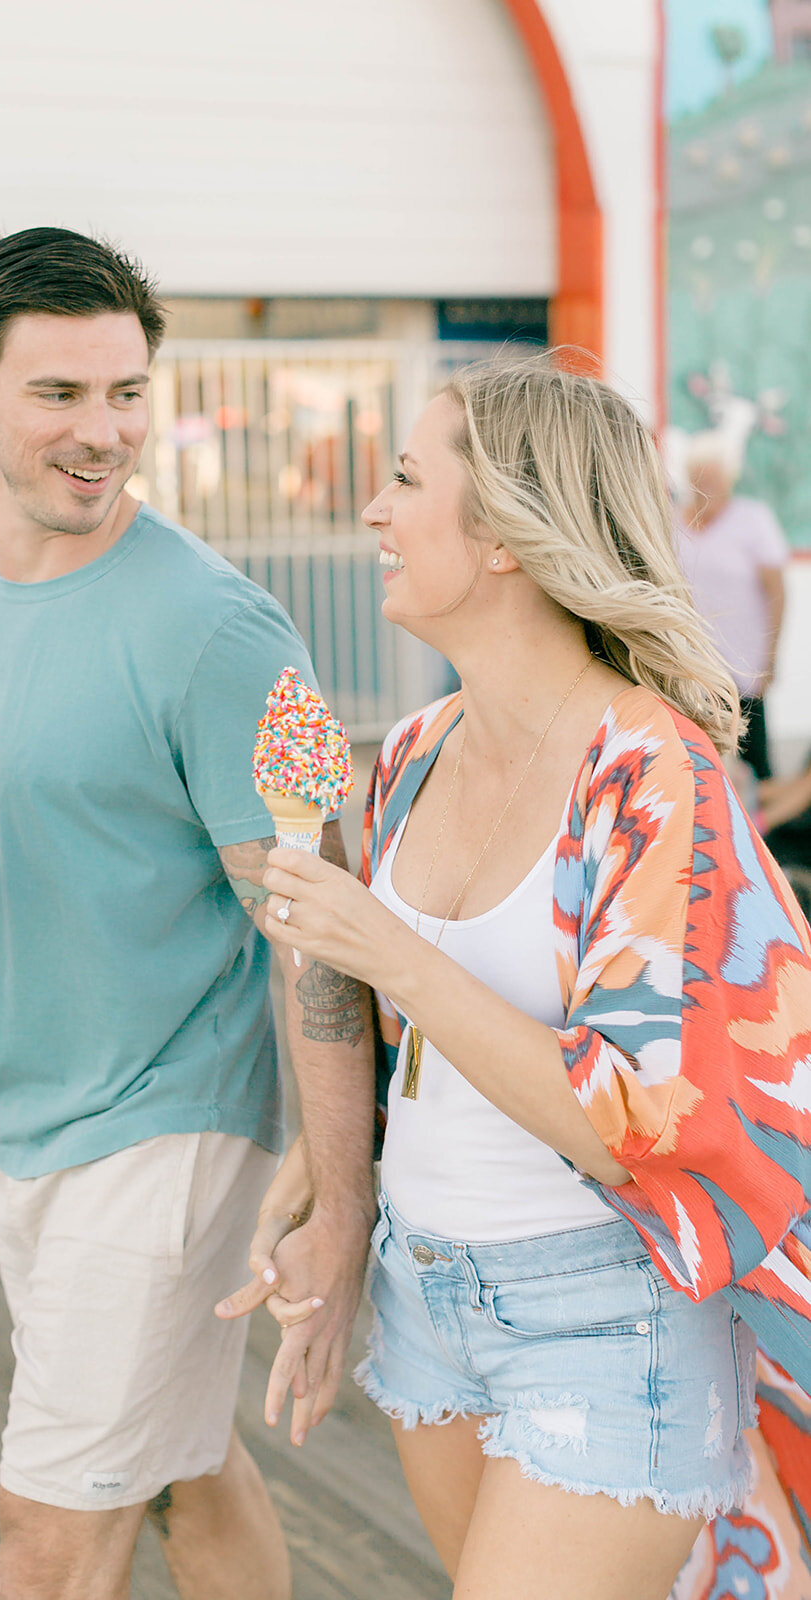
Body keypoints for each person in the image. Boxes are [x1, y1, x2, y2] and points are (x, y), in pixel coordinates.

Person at [0, 227, 376, 1600]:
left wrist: (337, 1196)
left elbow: (318, 924)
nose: (103, 430)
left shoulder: (214, 630)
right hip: (22, 1116)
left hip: (166, 1127)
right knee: (181, 1468)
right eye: (60, 393)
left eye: (126, 393)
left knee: (48, 1532)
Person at [220, 355, 811, 1600]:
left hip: (603, 1314)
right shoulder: (417, 750)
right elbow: (414, 1053)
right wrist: (329, 1187)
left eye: (401, 481)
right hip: (424, 1294)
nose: (371, 514)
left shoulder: (649, 775)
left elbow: (635, 1125)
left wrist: (376, 944)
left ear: (500, 533)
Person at [674, 442, 788, 782]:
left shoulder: (753, 519)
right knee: (694, 760)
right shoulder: (672, 519)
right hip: (687, 663)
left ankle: (764, 830)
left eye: (714, 474)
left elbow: (778, 591)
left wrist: (770, 656)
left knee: (754, 761)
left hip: (742, 663)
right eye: (699, 474)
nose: (706, 482)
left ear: (729, 479)